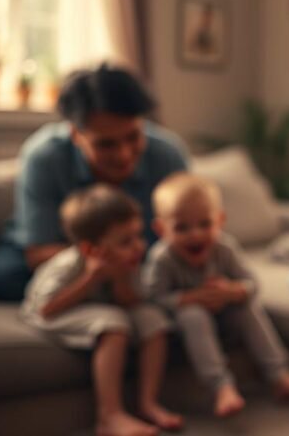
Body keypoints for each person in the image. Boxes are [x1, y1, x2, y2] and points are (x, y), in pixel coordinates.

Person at [0, 63, 189, 301]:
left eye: (133, 137)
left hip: (144, 257)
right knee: (3, 276)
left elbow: (187, 235)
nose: (123, 154)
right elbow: (39, 249)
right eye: (106, 144)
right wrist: (104, 265)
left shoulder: (168, 155)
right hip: (65, 256)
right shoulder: (44, 156)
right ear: (75, 134)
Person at [143, 173, 289, 417]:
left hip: (224, 315)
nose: (195, 234)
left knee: (248, 307)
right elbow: (153, 298)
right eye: (182, 227)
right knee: (193, 315)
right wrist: (191, 298)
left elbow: (252, 284)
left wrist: (234, 290)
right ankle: (221, 387)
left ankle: (279, 375)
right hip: (185, 325)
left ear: (220, 220)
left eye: (205, 224)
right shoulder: (162, 258)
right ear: (161, 229)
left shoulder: (224, 248)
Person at [20, 184, 182, 436]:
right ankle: (109, 416)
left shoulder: (129, 260)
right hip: (50, 311)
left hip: (96, 307)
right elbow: (46, 308)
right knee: (114, 322)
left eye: (138, 236)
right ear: (89, 249)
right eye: (126, 241)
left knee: (153, 319)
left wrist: (120, 278)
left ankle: (148, 403)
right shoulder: (67, 265)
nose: (138, 246)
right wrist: (91, 278)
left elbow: (131, 301)